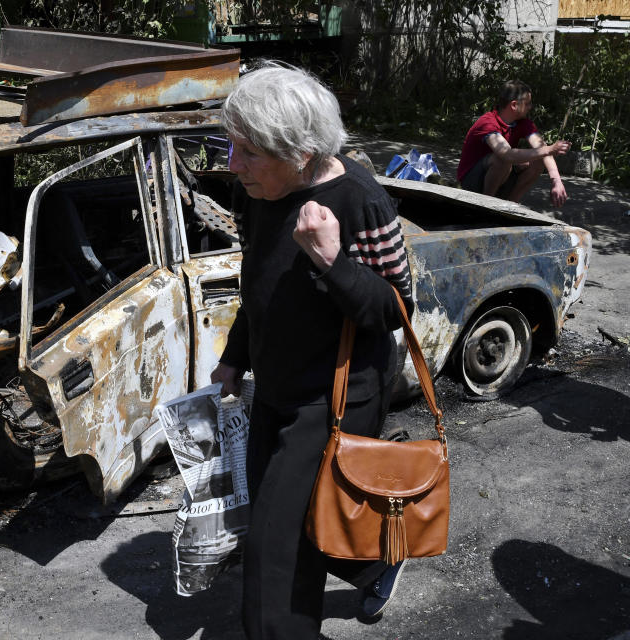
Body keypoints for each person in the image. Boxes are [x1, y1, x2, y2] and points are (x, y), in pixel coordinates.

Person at [210, 62, 415, 639]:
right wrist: (235, 356)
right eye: (233, 146)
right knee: (309, 519)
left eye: (248, 152)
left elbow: (396, 311)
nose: (233, 164)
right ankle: (377, 559)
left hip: (336, 398)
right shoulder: (262, 189)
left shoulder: (361, 200)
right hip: (274, 388)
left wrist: (332, 261)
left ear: (300, 151)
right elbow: (261, 287)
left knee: (276, 548)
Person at [456, 80, 570, 207]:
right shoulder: (487, 122)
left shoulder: (523, 123)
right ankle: (485, 206)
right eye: (527, 104)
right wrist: (549, 149)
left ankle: (510, 205)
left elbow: (540, 148)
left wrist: (557, 181)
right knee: (502, 160)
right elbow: (507, 154)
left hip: (498, 177)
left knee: (538, 160)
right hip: (471, 182)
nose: (530, 107)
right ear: (514, 105)